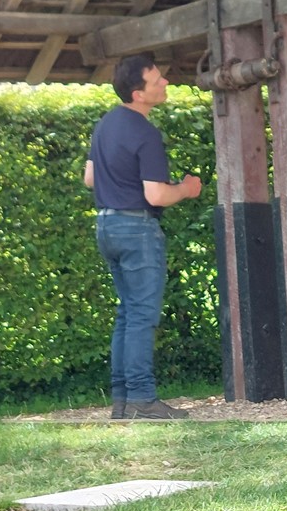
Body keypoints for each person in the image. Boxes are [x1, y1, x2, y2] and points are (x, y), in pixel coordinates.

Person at [84, 53, 203, 420]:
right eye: (157, 80)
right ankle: (142, 399)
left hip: (107, 225)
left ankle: (122, 402)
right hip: (137, 228)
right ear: (138, 94)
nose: (165, 82)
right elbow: (156, 195)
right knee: (141, 316)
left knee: (127, 313)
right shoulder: (145, 132)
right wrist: (186, 189)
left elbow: (89, 179)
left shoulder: (105, 124)